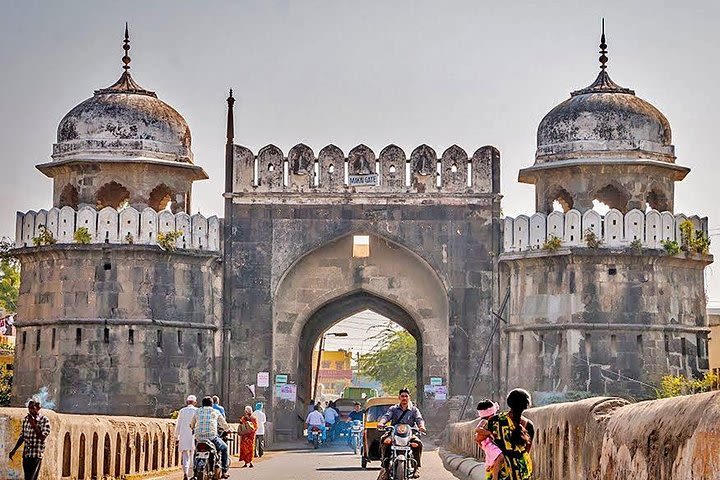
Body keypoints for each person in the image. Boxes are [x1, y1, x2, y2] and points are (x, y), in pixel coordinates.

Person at [476, 388, 535, 480]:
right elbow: (527, 451)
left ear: (509, 403)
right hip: (521, 470)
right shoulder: (529, 425)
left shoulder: (494, 420)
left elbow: (479, 438)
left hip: (500, 470)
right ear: (527, 405)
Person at [377, 388, 426, 479]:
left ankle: (416, 467)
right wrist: (381, 423)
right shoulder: (393, 409)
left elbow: (419, 419)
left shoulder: (414, 410)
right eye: (402, 396)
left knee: (418, 443)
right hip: (394, 434)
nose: (404, 398)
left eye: (406, 396)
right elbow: (386, 416)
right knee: (384, 440)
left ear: (409, 398)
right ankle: (386, 468)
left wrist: (421, 426)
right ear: (399, 397)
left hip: (409, 434)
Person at [8, 399, 51, 480]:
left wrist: (33, 424)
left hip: (36, 454)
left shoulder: (44, 420)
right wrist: (14, 450)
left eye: (32, 408)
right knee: (27, 477)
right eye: (29, 408)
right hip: (26, 454)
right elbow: (22, 436)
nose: (30, 410)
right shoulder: (26, 419)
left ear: (38, 408)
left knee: (32, 477)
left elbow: (42, 437)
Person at [190, 396, 231, 479]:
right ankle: (224, 471)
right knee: (224, 448)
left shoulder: (197, 411)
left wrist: (192, 427)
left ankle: (194, 472)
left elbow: (192, 424)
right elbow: (223, 424)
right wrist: (228, 429)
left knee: (196, 451)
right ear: (212, 404)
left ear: (202, 404)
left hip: (199, 437)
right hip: (212, 437)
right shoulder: (215, 412)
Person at [474, 400, 504, 480]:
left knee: (496, 458)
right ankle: (495, 477)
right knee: (499, 456)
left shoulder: (493, 421)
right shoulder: (484, 421)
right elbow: (477, 429)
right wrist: (489, 433)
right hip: (488, 444)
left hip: (490, 444)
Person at [175, 395, 198, 480]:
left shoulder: (182, 411)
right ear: (195, 403)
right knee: (193, 454)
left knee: (185, 455)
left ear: (187, 402)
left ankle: (185, 473)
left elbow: (178, 425)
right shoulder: (197, 411)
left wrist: (176, 437)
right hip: (193, 435)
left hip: (184, 436)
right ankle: (190, 474)